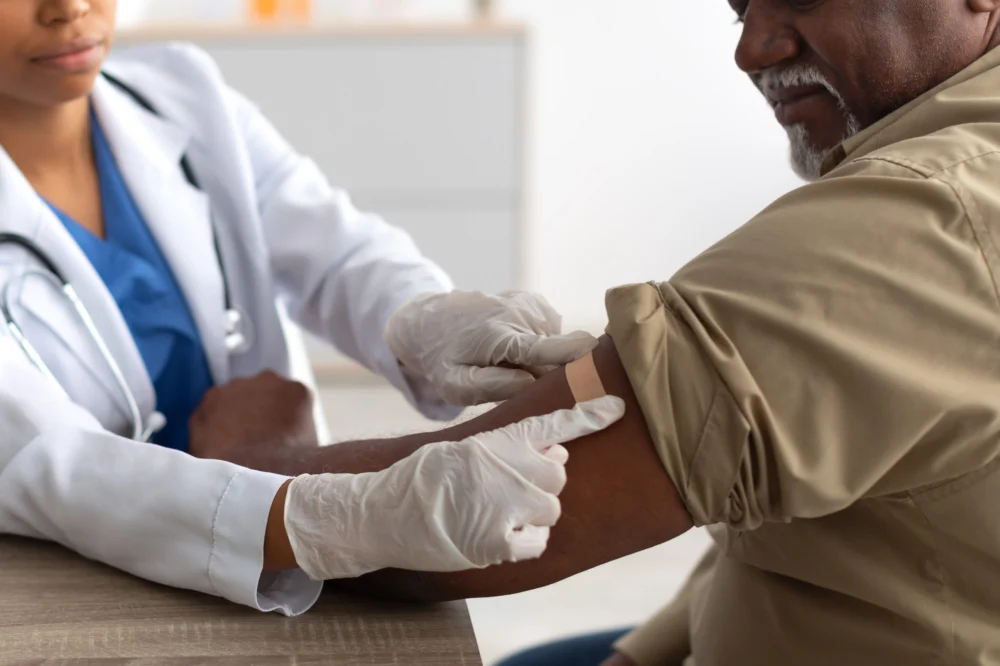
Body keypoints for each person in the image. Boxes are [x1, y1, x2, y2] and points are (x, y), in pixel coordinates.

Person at [195, 0, 1000, 664]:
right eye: (738, 8)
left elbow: (466, 536)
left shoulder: (918, 218)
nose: (752, 48)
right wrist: (642, 653)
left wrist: (244, 456)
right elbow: (827, 520)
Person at [0, 0, 605, 615]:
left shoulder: (182, 93)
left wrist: (422, 317)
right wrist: (338, 520)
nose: (69, 8)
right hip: (81, 586)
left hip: (273, 518)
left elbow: (334, 248)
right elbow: (46, 460)